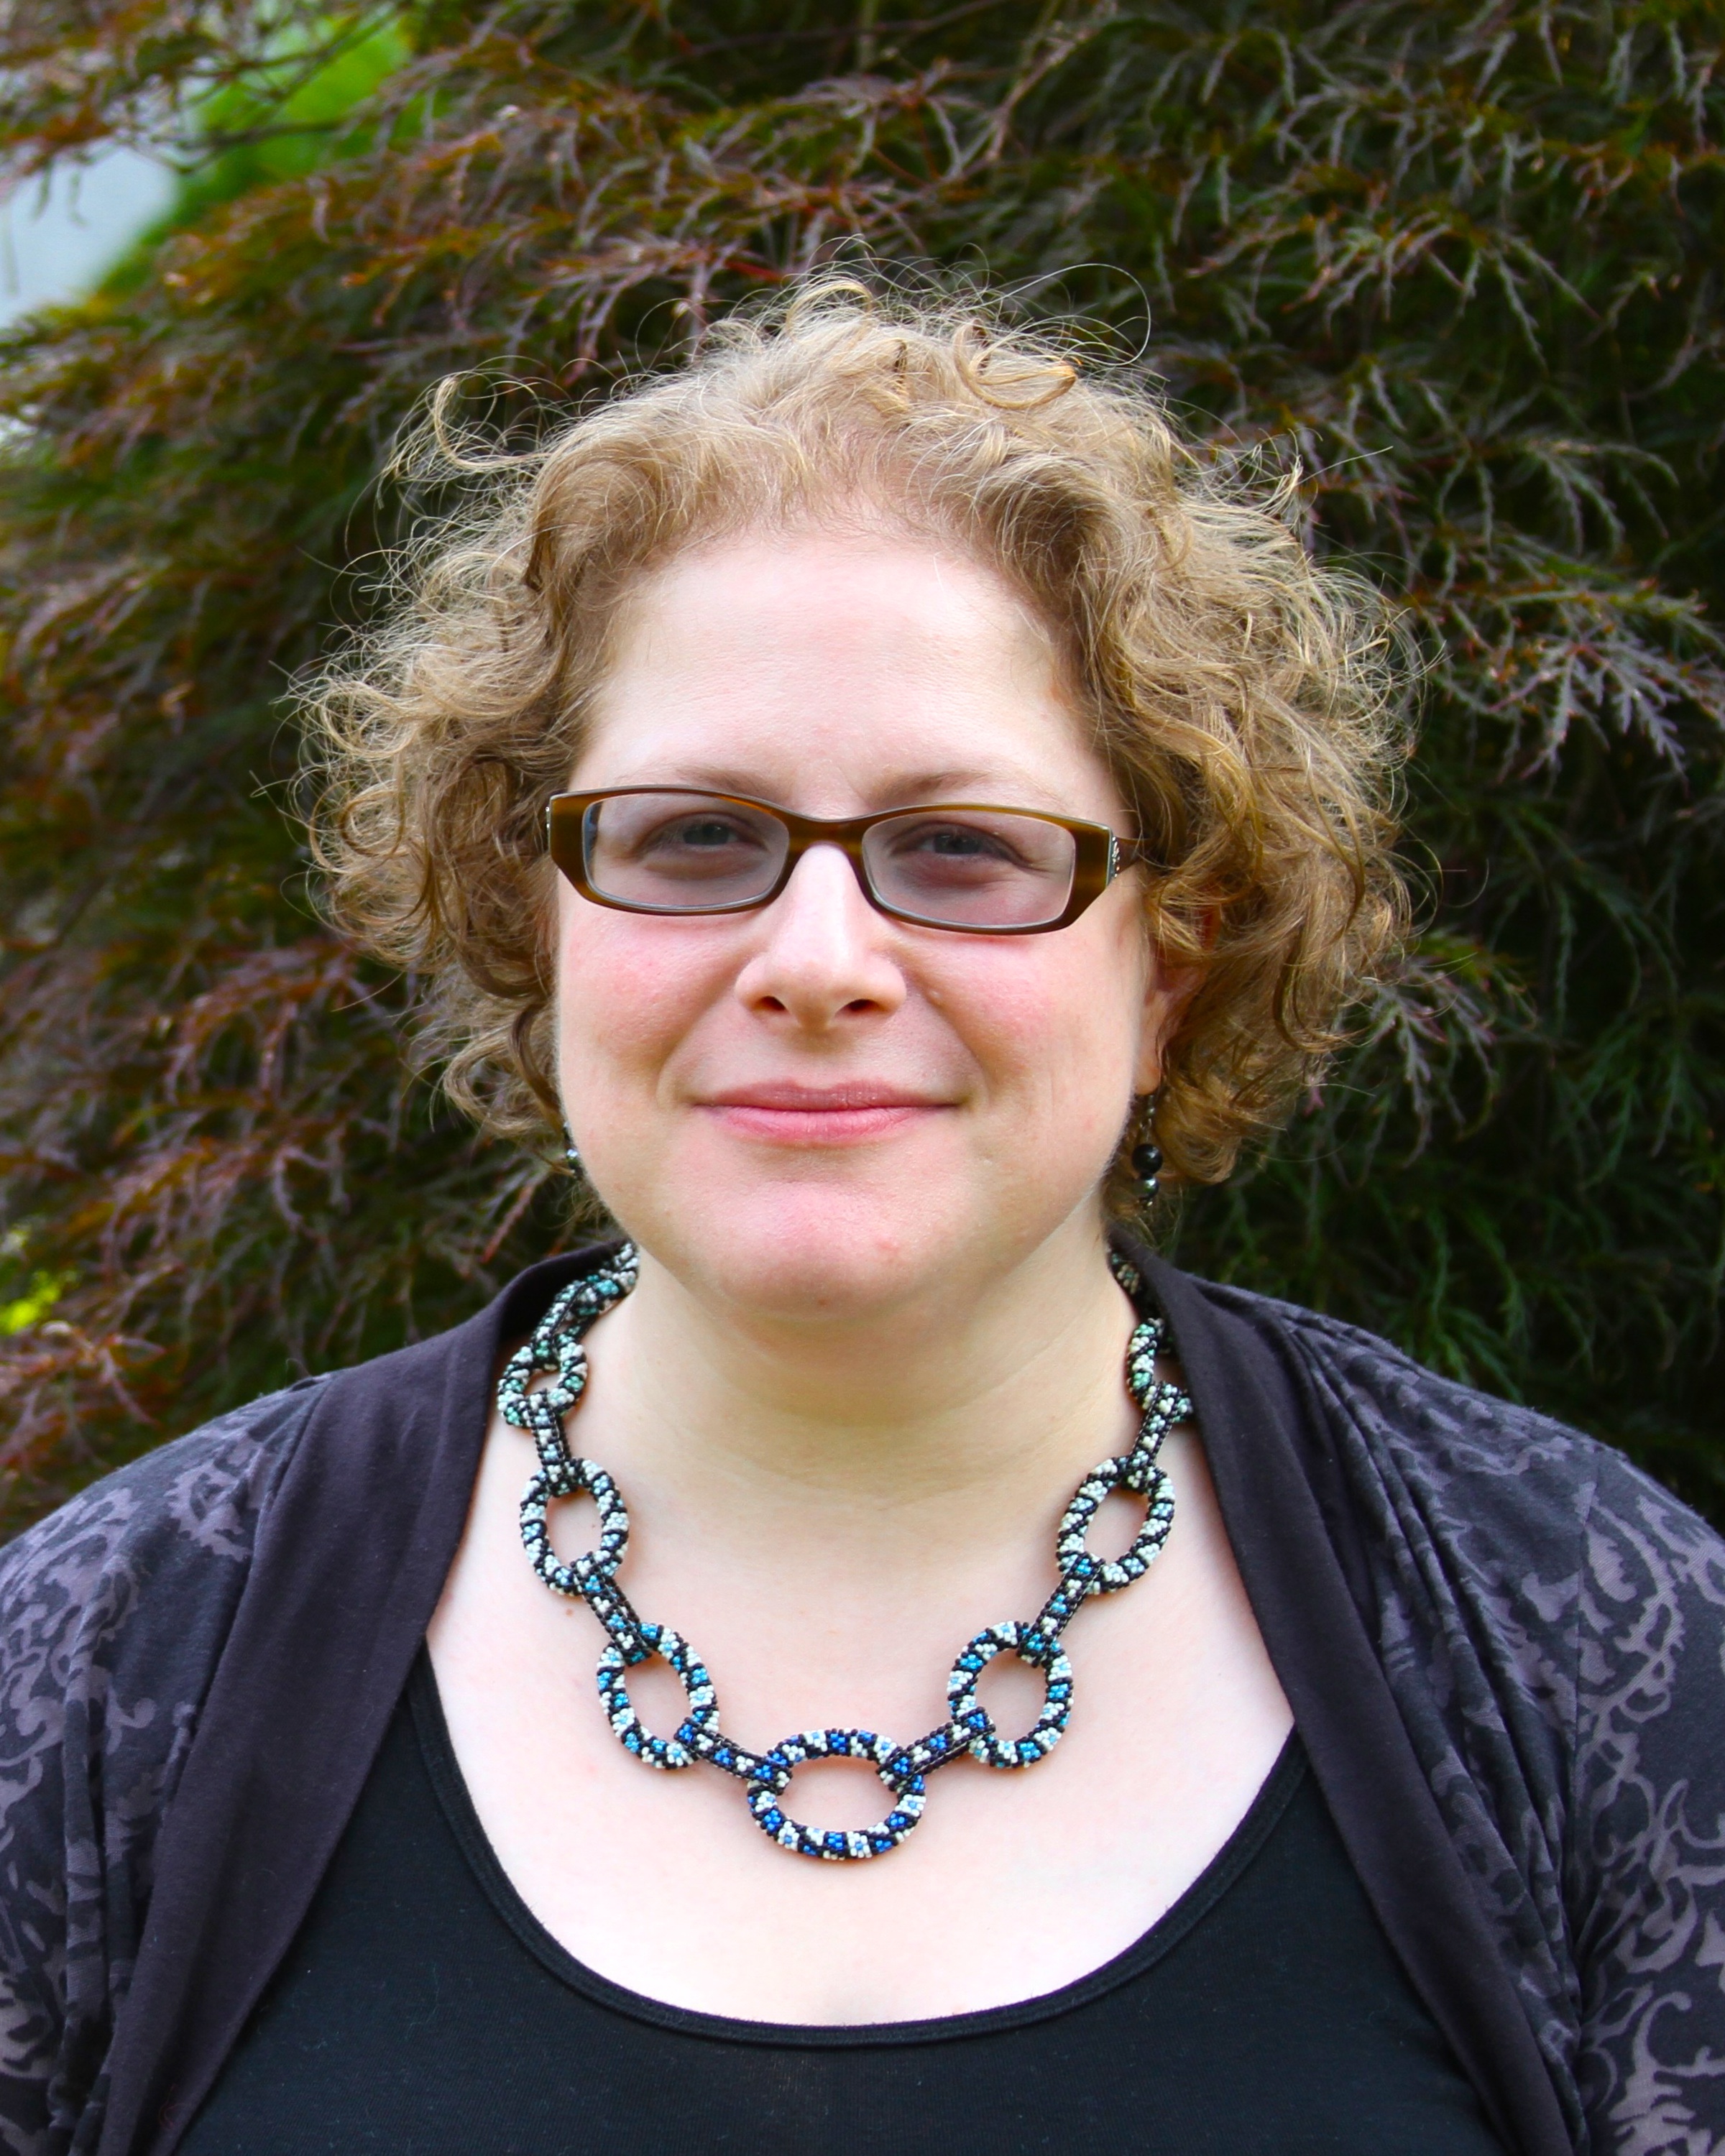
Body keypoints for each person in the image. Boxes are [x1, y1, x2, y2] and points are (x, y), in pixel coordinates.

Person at [2, 282, 1721, 2156]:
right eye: (695, 839)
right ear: (537, 911)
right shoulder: (117, 1661)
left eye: (963, 850)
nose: (818, 962)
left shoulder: (1581, 1648)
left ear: (1179, 945)